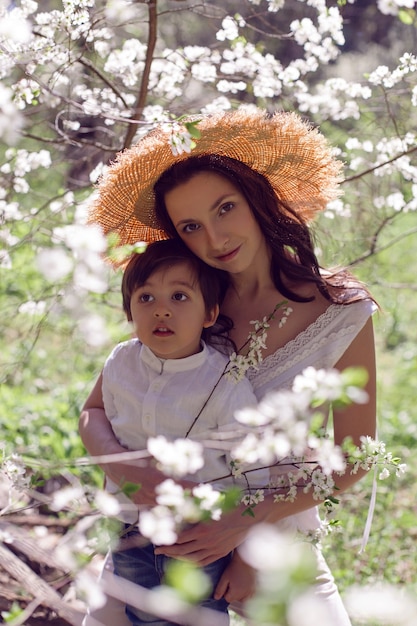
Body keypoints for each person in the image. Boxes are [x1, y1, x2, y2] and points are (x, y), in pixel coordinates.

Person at [80, 108, 377, 626]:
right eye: (191, 226)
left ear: (257, 197)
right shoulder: (183, 304)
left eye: (226, 208)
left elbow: (354, 460)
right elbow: (97, 410)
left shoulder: (340, 310)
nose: (215, 239)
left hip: (276, 556)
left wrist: (243, 524)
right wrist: (125, 468)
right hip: (157, 556)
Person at [82, 237, 265, 626]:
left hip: (196, 535)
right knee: (142, 615)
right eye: (145, 298)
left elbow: (253, 476)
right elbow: (95, 412)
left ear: (209, 313)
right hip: (129, 527)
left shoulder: (223, 381)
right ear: (129, 310)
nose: (161, 310)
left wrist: (246, 561)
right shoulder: (121, 362)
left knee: (200, 616)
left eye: (179, 297)